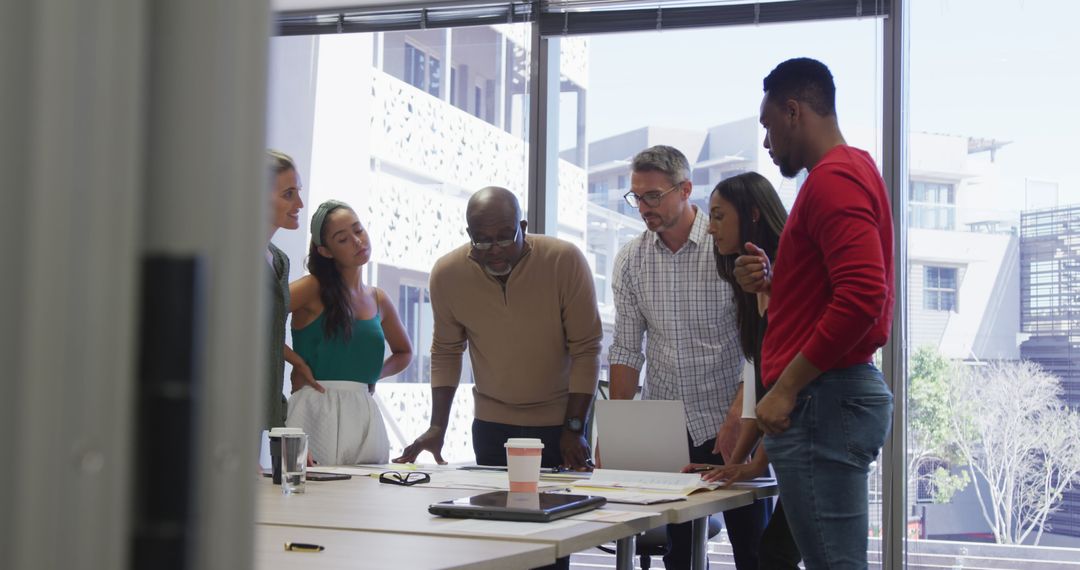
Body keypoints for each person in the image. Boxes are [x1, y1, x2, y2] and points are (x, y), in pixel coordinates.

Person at [734, 57, 895, 569]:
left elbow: (863, 296)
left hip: (821, 400)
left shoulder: (833, 180)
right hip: (828, 398)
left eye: (768, 126)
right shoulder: (852, 170)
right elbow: (840, 289)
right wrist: (776, 284)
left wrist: (785, 388)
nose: (767, 142)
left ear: (793, 111)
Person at [607, 146, 768, 570]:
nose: (644, 207)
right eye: (637, 196)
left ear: (685, 190)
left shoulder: (726, 247)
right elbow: (626, 349)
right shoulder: (631, 260)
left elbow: (759, 342)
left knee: (754, 551)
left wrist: (741, 411)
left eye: (653, 196)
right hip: (668, 427)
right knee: (678, 556)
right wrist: (617, 429)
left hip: (732, 423)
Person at [393, 186, 601, 470]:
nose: (495, 250)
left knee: (562, 499)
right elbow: (446, 352)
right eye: (482, 240)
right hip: (491, 426)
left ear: (522, 228)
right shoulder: (448, 274)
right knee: (493, 500)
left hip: (561, 425)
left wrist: (575, 428)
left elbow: (586, 350)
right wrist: (437, 426)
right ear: (470, 234)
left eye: (505, 237)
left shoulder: (563, 261)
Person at [683, 172, 801, 569]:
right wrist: (738, 462)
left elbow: (787, 391)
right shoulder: (751, 287)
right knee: (775, 555)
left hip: (816, 437)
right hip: (791, 443)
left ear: (752, 214)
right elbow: (762, 386)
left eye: (719, 216)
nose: (710, 227)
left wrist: (754, 462)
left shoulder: (789, 275)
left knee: (779, 555)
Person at [285, 199, 413, 465]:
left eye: (358, 230)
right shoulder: (312, 287)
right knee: (308, 489)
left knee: (367, 488)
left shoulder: (378, 298)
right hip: (315, 407)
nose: (357, 241)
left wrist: (374, 375)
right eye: (343, 239)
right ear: (325, 251)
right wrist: (296, 362)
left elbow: (404, 352)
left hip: (364, 411)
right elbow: (255, 318)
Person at [265, 149, 305, 431]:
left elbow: (269, 335)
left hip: (264, 410)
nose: (299, 203)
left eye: (298, 192)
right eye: (288, 194)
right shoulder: (230, 259)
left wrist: (297, 362)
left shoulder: (279, 261)